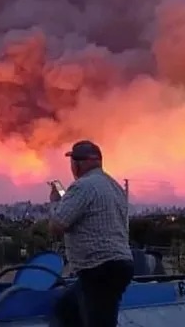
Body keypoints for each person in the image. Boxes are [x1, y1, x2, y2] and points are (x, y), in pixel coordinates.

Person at [48, 140, 134, 327]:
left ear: (79, 164)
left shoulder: (82, 186)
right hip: (119, 264)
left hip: (99, 268)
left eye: (72, 162)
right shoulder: (115, 187)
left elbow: (57, 225)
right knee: (67, 308)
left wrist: (55, 202)